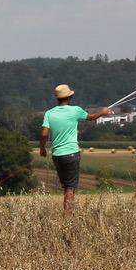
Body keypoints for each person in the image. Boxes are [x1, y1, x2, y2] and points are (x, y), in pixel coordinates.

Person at [40, 84, 110, 214]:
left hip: (57, 154)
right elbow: (92, 117)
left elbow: (44, 134)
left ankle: (67, 212)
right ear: (70, 97)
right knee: (70, 187)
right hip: (71, 153)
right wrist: (103, 111)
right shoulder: (75, 110)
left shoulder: (49, 113)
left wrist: (42, 149)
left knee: (65, 186)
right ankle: (68, 215)